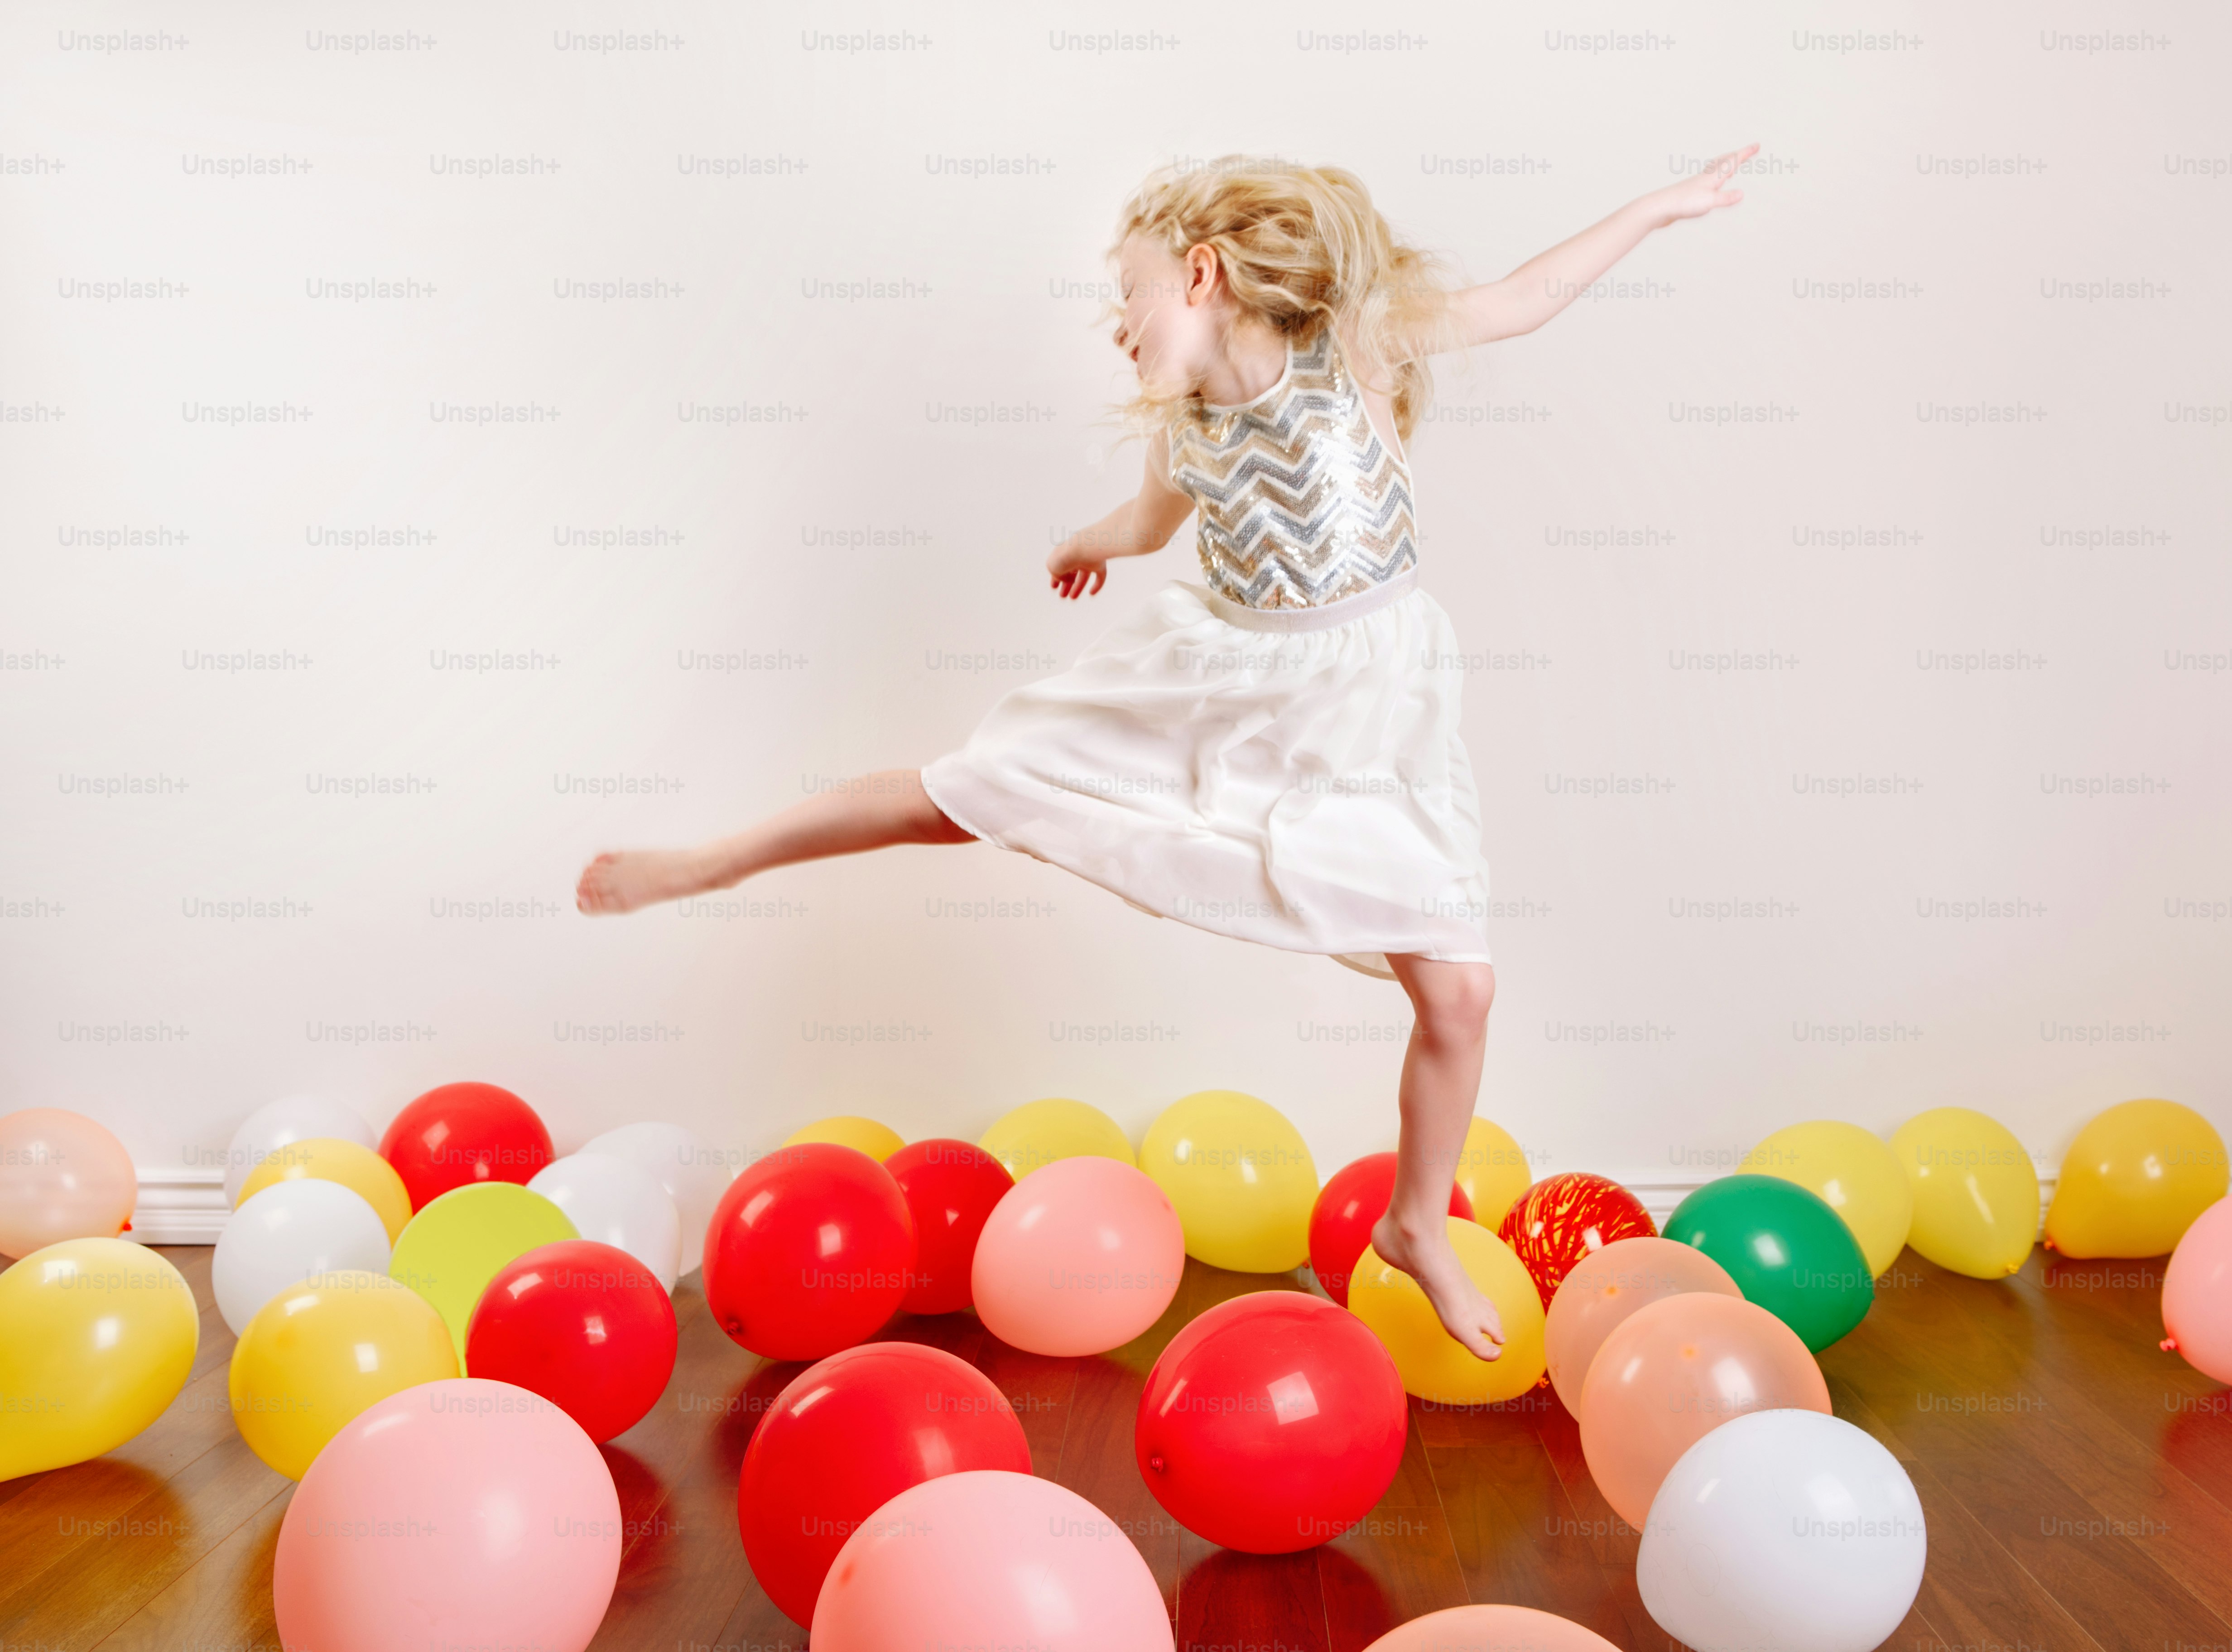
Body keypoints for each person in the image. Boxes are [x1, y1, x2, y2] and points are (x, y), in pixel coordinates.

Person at [577, 147, 1757, 1359]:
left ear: (1201, 276)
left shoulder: (1353, 350)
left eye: (1128, 296)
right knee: (966, 790)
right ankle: (714, 862)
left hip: (1367, 705)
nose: (1117, 328)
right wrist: (1082, 546)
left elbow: (1518, 301)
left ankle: (1416, 1224)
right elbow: (1147, 526)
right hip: (1222, 679)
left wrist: (1658, 209)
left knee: (1460, 992)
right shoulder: (1187, 429)